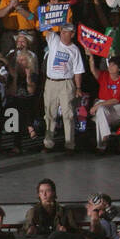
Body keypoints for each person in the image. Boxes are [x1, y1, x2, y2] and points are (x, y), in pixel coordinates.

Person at [42, 23, 85, 152]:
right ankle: (48, 143)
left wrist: (78, 88)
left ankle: (69, 145)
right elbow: (45, 27)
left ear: (72, 34)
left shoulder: (75, 50)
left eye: (66, 32)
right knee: (49, 113)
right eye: (62, 31)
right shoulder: (54, 40)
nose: (62, 33)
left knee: (69, 115)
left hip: (66, 83)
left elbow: (78, 71)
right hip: (51, 82)